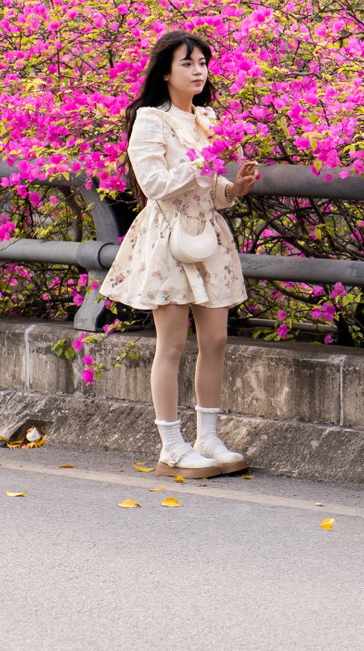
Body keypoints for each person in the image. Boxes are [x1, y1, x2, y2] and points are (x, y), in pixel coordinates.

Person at [100, 32, 259, 479]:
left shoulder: (207, 119)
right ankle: (172, 446)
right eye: (187, 63)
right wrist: (205, 160)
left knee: (216, 341)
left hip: (207, 237)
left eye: (203, 62)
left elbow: (212, 192)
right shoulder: (151, 120)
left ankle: (208, 438)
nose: (198, 70)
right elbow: (155, 185)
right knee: (171, 344)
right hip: (166, 238)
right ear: (165, 72)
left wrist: (234, 188)